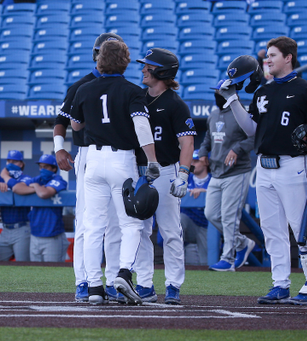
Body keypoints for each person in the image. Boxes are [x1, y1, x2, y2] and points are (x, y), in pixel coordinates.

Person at [218, 36, 307, 305]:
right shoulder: (262, 92)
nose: (267, 59)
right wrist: (233, 100)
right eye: (267, 55)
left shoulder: (306, 91)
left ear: (288, 57)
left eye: (273, 55)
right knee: (271, 229)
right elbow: (252, 130)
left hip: (293, 164)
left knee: (301, 228)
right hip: (264, 166)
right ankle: (280, 284)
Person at [67, 40, 160, 306]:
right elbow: (142, 126)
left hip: (93, 160)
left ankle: (94, 286)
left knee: (94, 226)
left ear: (99, 60)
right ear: (125, 61)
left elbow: (75, 123)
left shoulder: (85, 88)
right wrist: (152, 159)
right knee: (130, 223)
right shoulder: (132, 91)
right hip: (122, 159)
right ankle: (122, 273)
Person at [54, 32, 125, 303]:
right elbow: (61, 120)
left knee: (116, 224)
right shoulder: (81, 85)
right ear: (96, 54)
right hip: (87, 153)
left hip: (118, 156)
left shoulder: (124, 86)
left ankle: (112, 281)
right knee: (87, 222)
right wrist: (59, 147)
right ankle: (83, 280)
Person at [134, 47, 195, 305]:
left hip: (166, 171)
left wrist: (183, 175)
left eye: (148, 66)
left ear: (162, 70)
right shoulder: (136, 97)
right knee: (140, 231)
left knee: (170, 231)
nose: (143, 69)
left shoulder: (175, 103)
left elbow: (188, 142)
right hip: (138, 171)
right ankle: (145, 284)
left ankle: (173, 285)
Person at [198, 91, 256, 272]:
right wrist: (202, 152)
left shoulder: (241, 114)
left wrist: (237, 149)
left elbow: (254, 136)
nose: (217, 95)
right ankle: (242, 243)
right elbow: (208, 137)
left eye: (221, 92)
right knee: (211, 214)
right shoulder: (214, 114)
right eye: (216, 92)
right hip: (217, 171)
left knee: (230, 217)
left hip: (237, 172)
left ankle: (228, 259)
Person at [12, 155, 68, 262]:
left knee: (53, 273)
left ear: (54, 169)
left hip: (53, 237)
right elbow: (16, 188)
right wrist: (35, 188)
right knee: (36, 272)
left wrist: (36, 187)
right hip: (34, 235)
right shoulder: (37, 179)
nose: (42, 170)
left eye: (46, 167)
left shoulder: (58, 180)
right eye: (41, 167)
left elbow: (44, 193)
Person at [0, 150, 31, 262]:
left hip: (22, 229)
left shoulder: (25, 178)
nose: (11, 164)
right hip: (5, 229)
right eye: (9, 161)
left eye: (14, 161)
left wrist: (5, 176)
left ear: (21, 164)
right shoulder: (0, 179)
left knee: (23, 266)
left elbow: (17, 187)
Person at [180, 150, 211, 266]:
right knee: (180, 219)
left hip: (206, 225)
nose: (193, 164)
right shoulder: (185, 179)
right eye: (191, 161)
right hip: (189, 224)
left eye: (196, 161)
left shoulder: (213, 180)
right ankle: (175, 262)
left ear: (206, 162)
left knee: (206, 263)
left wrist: (206, 192)